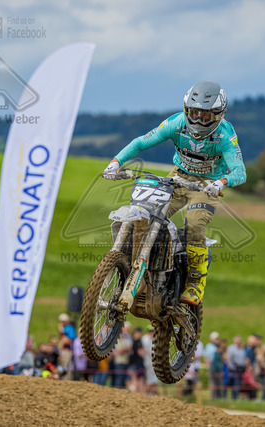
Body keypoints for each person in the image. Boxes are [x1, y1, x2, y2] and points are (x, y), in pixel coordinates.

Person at [102, 81, 247, 305]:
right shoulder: (176, 123)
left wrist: (222, 182)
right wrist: (116, 161)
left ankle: (195, 281)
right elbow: (141, 142)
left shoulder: (225, 136)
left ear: (219, 115)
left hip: (207, 185)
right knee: (145, 213)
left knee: (194, 224)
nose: (198, 120)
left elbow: (240, 171)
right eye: (194, 113)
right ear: (186, 109)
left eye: (206, 115)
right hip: (177, 177)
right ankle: (137, 268)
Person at [227, 335, 247, 400]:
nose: (240, 342)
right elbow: (230, 359)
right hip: (234, 369)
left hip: (241, 369)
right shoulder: (231, 348)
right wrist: (231, 368)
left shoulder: (242, 349)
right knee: (235, 384)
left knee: (238, 384)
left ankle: (236, 397)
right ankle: (234, 397)